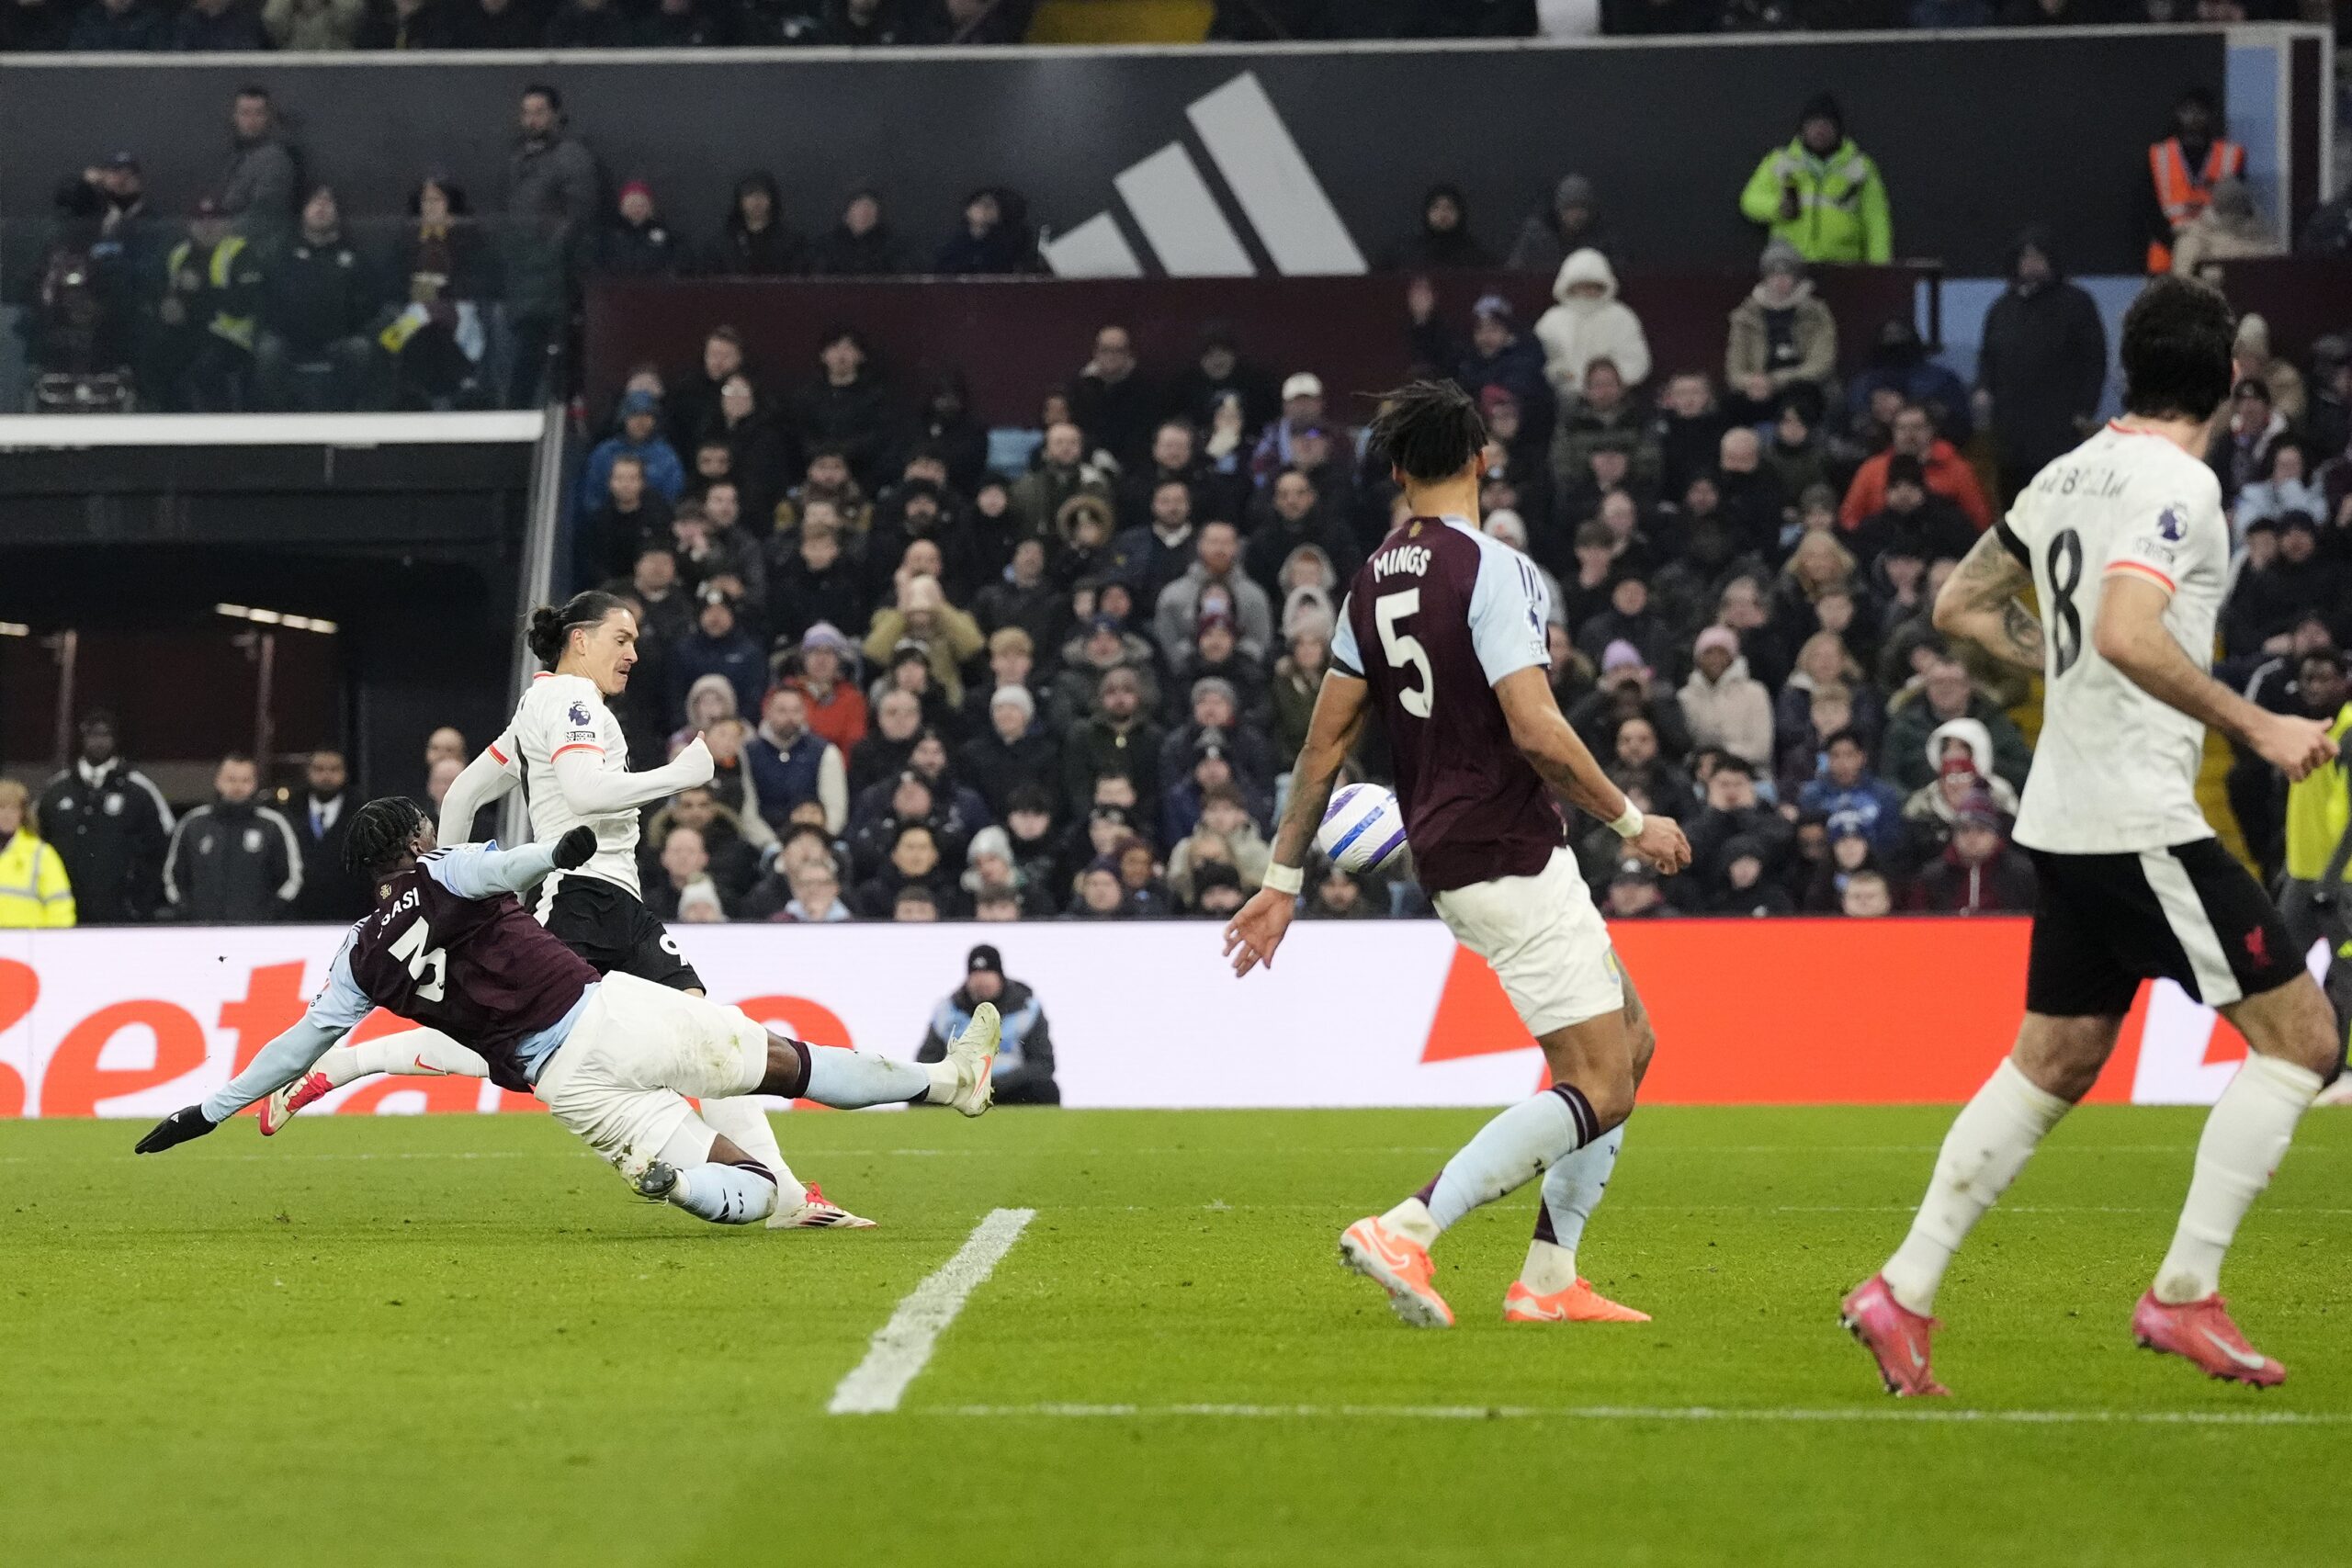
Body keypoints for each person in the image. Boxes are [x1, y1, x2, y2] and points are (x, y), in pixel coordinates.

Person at [1842, 276, 2346, 1396]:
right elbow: (2124, 629)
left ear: (2127, 371)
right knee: (2306, 1042)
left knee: (2056, 1058)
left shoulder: (2064, 474)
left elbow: (1959, 607)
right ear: (2228, 378)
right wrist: (2256, 722)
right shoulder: (2182, 484)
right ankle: (2182, 1296)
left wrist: (2050, 658)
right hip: (2134, 815)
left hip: (2064, 813)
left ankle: (1902, 1289)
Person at [1224, 379, 1690, 1330]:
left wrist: (1280, 882)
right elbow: (1537, 728)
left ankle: (1551, 1280)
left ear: (1397, 472)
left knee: (1630, 1044)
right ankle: (1409, 1226)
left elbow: (1322, 747)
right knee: (1598, 1083)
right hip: (1509, 845)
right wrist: (1630, 821)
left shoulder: (1368, 579)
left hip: (1447, 850)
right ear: (1484, 457)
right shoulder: (1495, 570)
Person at [276, 593, 868, 1228]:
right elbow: (578, 791)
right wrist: (679, 773)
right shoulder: (567, 702)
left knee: (707, 1036)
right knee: (526, 1045)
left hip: (618, 898)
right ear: (581, 639)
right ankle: (348, 1061)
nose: (633, 653)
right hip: (575, 894)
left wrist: (442, 877)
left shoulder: (543, 708)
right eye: (621, 638)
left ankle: (780, 1193)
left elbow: (469, 791)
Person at [134, 802, 1005, 1231]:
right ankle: (948, 1080)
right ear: (408, 845)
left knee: (756, 1189)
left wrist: (204, 1112)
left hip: (565, 1085)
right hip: (609, 1016)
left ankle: (682, 1186)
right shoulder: (444, 871)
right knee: (791, 1063)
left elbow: (297, 1043)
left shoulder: (355, 958)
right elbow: (506, 866)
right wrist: (561, 851)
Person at [1974, 227, 2109, 505]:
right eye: (2025, 257)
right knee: (2013, 498)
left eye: (2038, 256)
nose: (2031, 263)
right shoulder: (2002, 307)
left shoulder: (2076, 303)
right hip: (2011, 423)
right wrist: (1983, 388)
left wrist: (2086, 408)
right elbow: (1988, 356)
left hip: (2058, 422)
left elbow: (2094, 360)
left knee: (2057, 498)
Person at [37, 710, 173, 924]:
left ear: (115, 739)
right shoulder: (56, 791)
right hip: (63, 915)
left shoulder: (139, 790)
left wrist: (140, 902)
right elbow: (35, 846)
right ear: (82, 739)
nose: (99, 742)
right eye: (93, 735)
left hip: (123, 916)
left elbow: (163, 850)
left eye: (105, 735)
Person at [1739, 92, 1892, 265]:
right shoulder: (1781, 161)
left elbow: (1877, 222)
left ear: (1838, 129)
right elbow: (1749, 201)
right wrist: (1777, 208)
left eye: (1826, 124)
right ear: (1802, 128)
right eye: (1813, 124)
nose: (1819, 130)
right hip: (1789, 268)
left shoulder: (1860, 167)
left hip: (1843, 267)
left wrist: (1880, 270)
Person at [163, 754, 303, 923]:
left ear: (254, 784)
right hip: (201, 930)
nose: (238, 786)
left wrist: (269, 914)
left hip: (256, 932)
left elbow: (292, 878)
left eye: (245, 780)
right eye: (231, 779)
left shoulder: (273, 825)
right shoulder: (193, 823)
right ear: (218, 781)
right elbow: (173, 875)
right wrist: (187, 911)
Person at [919, 944, 1058, 1107]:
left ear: (1000, 976)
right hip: (960, 1091)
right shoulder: (947, 1013)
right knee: (922, 1094)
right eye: (976, 974)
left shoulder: (1026, 1010)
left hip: (1009, 1089)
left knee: (1046, 1090)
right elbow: (926, 1061)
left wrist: (996, 1083)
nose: (981, 980)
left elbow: (1043, 1063)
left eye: (988, 973)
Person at [2143, 86, 2245, 275]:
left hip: (2215, 253)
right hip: (2167, 254)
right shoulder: (2159, 155)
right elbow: (2148, 209)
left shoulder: (2231, 156)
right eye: (2187, 111)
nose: (2193, 117)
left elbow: (2238, 210)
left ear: (2210, 115)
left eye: (2200, 111)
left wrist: (2207, 243)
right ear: (2177, 114)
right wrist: (2179, 246)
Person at [1532, 248, 1649, 402]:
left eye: (1593, 286)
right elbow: (1541, 360)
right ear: (1569, 285)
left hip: (1615, 400)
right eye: (1581, 286)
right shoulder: (1552, 320)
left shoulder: (1621, 317)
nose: (1587, 292)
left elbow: (1635, 360)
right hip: (1561, 398)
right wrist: (1564, 379)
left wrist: (1607, 385)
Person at [291, 748, 369, 921]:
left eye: (334, 770)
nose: (326, 776)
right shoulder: (289, 811)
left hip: (350, 915)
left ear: (345, 773)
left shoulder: (364, 813)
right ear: (308, 772)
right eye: (319, 769)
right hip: (297, 916)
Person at [0, 780, 74, 928]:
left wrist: (52, 943)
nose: (6, 815)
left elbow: (60, 907)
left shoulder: (41, 854)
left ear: (23, 814)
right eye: (1, 808)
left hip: (27, 947)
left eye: (13, 809)